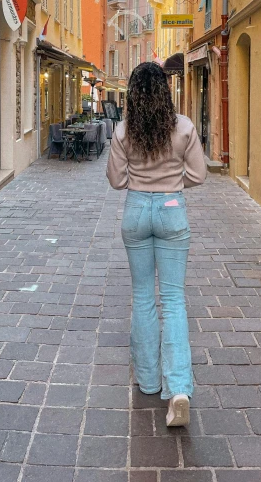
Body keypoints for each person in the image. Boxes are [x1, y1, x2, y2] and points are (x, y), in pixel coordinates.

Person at [106, 62, 207, 427]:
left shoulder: (122, 131)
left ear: (133, 94)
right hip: (171, 209)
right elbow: (199, 174)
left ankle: (148, 380)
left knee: (143, 297)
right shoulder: (183, 128)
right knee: (174, 300)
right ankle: (178, 387)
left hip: (135, 210)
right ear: (165, 91)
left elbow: (116, 181)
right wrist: (172, 185)